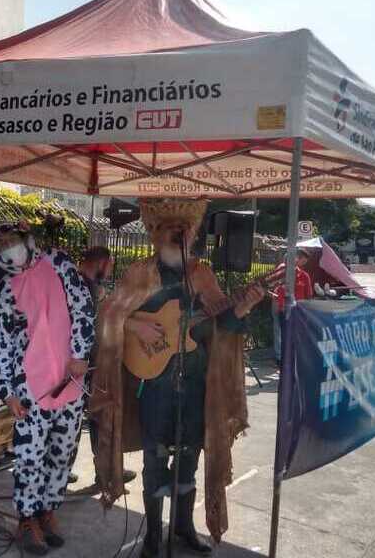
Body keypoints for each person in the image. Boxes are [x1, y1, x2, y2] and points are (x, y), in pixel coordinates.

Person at [91, 199, 265, 557]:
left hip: (197, 382)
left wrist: (243, 307)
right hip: (155, 384)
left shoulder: (202, 275)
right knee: (156, 459)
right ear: (156, 234)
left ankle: (183, 528)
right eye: (172, 228)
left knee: (190, 456)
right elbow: (108, 314)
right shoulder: (140, 273)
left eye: (185, 229)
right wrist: (136, 322)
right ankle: (154, 536)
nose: (180, 234)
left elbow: (223, 323)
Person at [0, 223, 95, 555]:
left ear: (28, 240)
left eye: (13, 241)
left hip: (70, 380)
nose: (9, 248)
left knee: (62, 452)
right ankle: (27, 519)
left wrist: (80, 353)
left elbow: (84, 307)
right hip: (30, 387)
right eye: (1, 244)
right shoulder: (4, 290)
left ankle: (48, 511)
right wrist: (8, 391)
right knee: (30, 457)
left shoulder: (59, 264)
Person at [67, 247, 136, 491]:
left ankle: (105, 470)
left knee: (98, 419)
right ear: (101, 263)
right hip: (76, 368)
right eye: (109, 266)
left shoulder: (90, 287)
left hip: (92, 364)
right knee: (83, 421)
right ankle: (69, 470)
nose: (109, 272)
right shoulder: (77, 286)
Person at [270, 247, 313, 362]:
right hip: (281, 306)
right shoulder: (283, 270)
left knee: (293, 332)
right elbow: (273, 284)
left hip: (297, 309)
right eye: (303, 260)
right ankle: (280, 357)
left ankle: (290, 355)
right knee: (279, 331)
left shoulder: (303, 275)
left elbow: (308, 295)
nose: (304, 263)